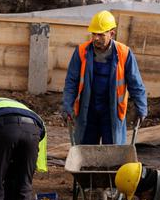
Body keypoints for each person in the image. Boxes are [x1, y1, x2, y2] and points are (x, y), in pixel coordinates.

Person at [61, 10, 148, 145]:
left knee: (113, 149)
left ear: (111, 34)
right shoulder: (81, 51)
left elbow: (135, 84)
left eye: (100, 35)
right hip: (88, 109)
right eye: (94, 34)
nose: (96, 38)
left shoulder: (124, 53)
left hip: (112, 111)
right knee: (86, 149)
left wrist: (141, 108)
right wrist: (67, 105)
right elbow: (71, 81)